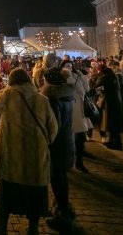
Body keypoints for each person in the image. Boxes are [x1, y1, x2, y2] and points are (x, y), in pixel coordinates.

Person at [0, 68, 58, 235]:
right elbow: (53, 128)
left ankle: (2, 226)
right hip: (36, 157)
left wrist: (7, 88)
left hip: (13, 156)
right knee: (35, 194)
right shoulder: (42, 99)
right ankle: (33, 228)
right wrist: (43, 143)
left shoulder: (8, 94)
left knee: (7, 192)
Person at [39, 56, 77, 232]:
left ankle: (62, 214)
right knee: (60, 177)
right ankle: (60, 208)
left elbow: (54, 125)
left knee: (58, 178)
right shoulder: (67, 96)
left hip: (58, 143)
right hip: (66, 140)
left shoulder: (53, 99)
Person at [62, 59, 91, 173]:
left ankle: (79, 161)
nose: (69, 68)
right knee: (70, 137)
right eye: (66, 66)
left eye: (70, 66)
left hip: (80, 108)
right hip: (70, 108)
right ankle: (70, 161)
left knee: (80, 137)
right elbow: (78, 90)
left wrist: (82, 77)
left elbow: (86, 89)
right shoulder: (64, 77)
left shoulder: (76, 75)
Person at [96, 61, 123, 150]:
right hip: (116, 103)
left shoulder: (104, 78)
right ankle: (113, 142)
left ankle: (116, 144)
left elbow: (98, 88)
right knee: (114, 125)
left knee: (111, 124)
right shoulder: (114, 77)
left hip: (108, 104)